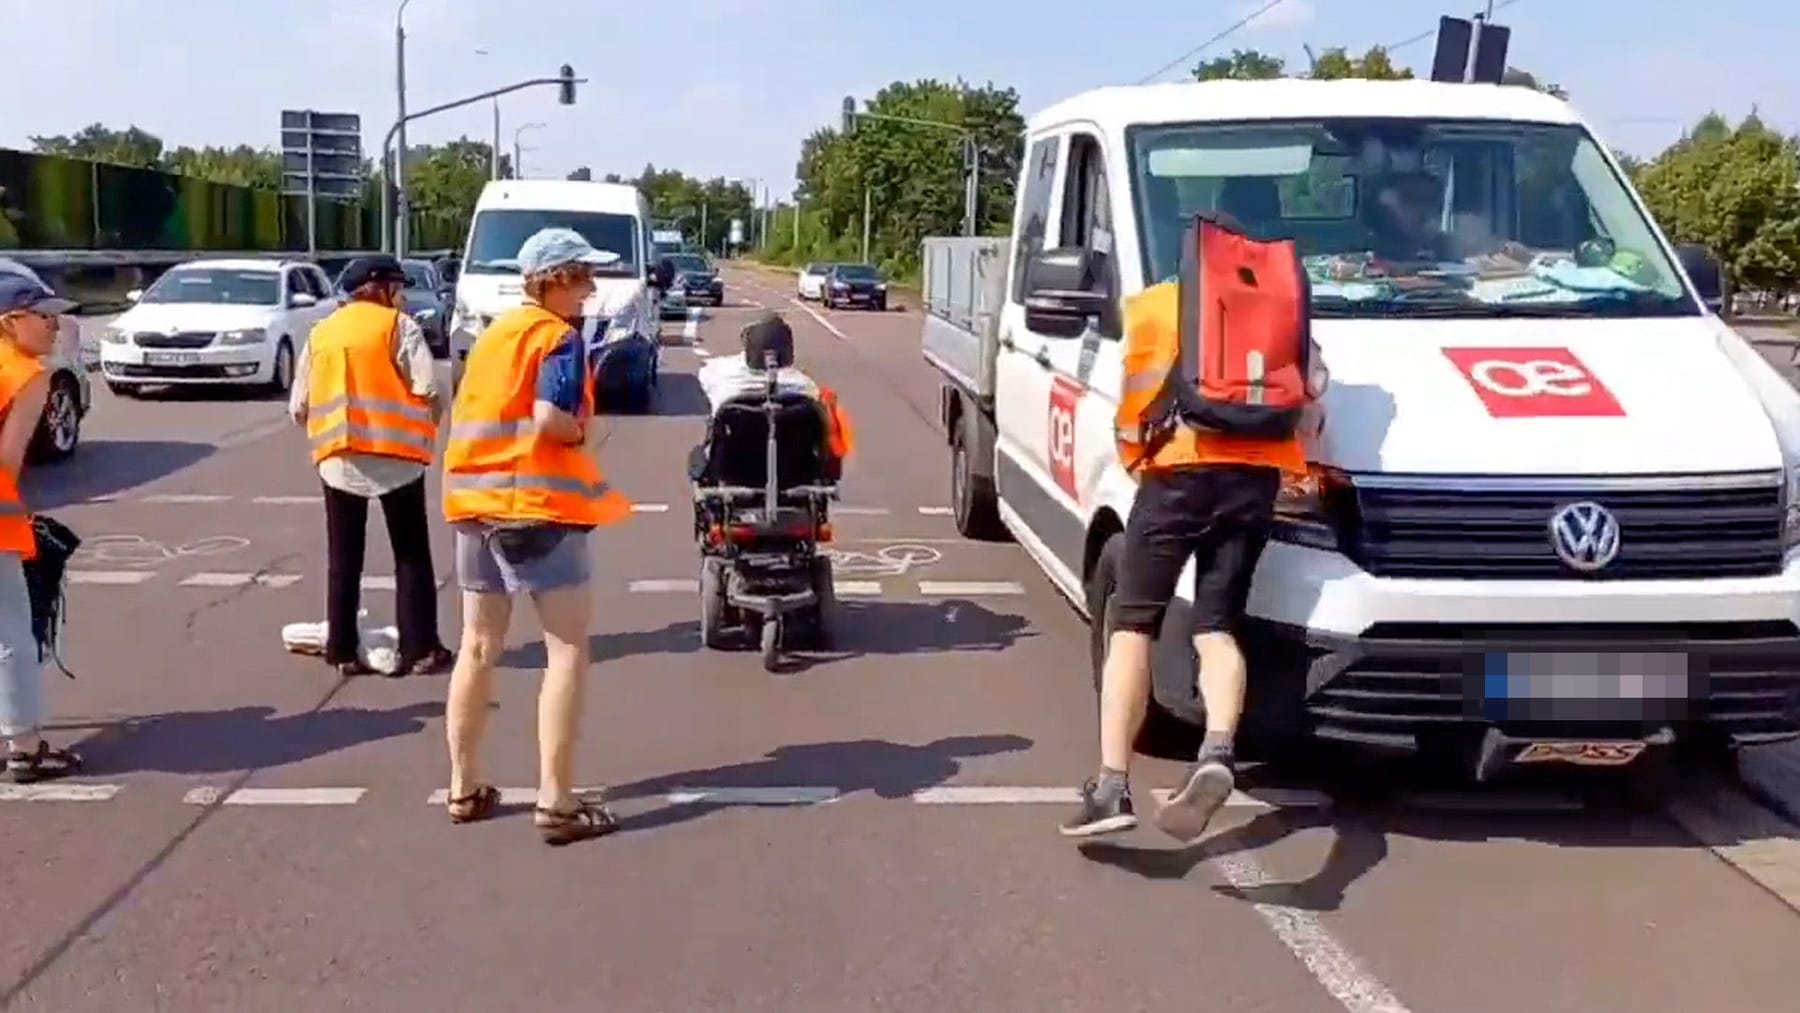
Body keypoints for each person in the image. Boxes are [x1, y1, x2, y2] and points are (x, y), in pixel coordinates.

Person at [1061, 224, 1327, 844]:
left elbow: (1135, 405)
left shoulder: (1157, 304)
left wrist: (1138, 463)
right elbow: (1312, 401)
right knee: (1216, 622)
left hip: (1179, 472)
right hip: (1256, 478)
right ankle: (1218, 749)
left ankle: (1110, 786)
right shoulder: (1287, 308)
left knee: (1132, 623)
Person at [439, 227, 633, 846]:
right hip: (538, 511)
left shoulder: (493, 335)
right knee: (566, 651)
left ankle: (464, 787)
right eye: (582, 277)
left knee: (476, 648)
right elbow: (550, 419)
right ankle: (556, 801)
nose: (591, 289)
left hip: (473, 504)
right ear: (552, 281)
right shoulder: (557, 338)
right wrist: (582, 433)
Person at [290, 255, 453, 677]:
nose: (401, 296)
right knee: (411, 554)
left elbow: (299, 405)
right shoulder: (400, 328)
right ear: (380, 289)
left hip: (339, 457)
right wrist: (427, 426)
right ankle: (420, 649)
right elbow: (429, 388)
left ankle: (342, 649)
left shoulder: (322, 332)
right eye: (398, 288)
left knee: (343, 558)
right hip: (397, 457)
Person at [0, 274, 80, 783]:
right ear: (10, 322)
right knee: (12, 633)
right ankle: (25, 747)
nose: (55, 325)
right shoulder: (27, 375)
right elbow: (6, 459)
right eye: (43, 316)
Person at [693, 311, 854, 467]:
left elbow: (705, 379)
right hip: (795, 471)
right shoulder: (805, 386)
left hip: (733, 468)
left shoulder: (719, 373)